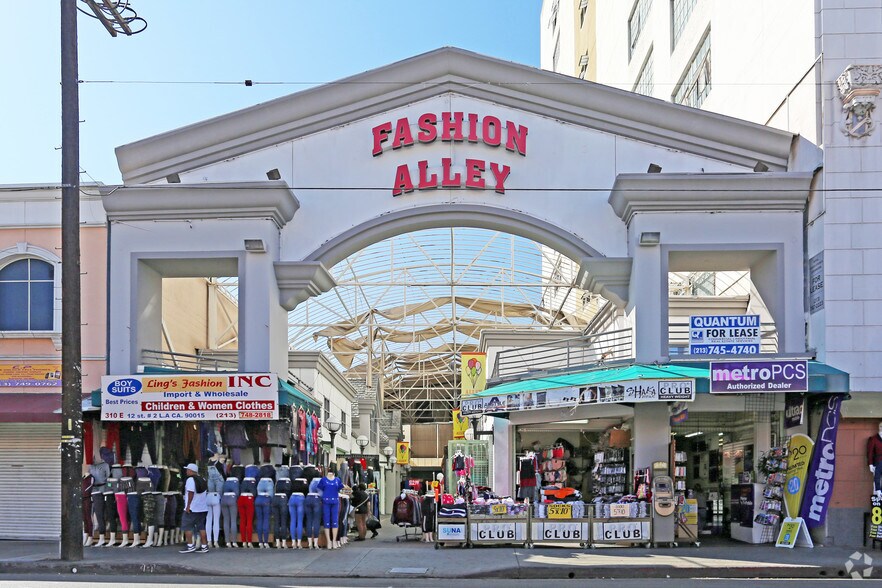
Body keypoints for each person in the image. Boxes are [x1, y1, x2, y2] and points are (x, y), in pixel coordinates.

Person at [179, 463, 209, 553]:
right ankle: (204, 546)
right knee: (201, 527)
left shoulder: (190, 480)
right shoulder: (203, 479)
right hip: (202, 508)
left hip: (192, 508)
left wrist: (188, 506)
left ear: (191, 471)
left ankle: (190, 545)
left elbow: (190, 493)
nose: (186, 471)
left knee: (187, 526)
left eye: (188, 470)